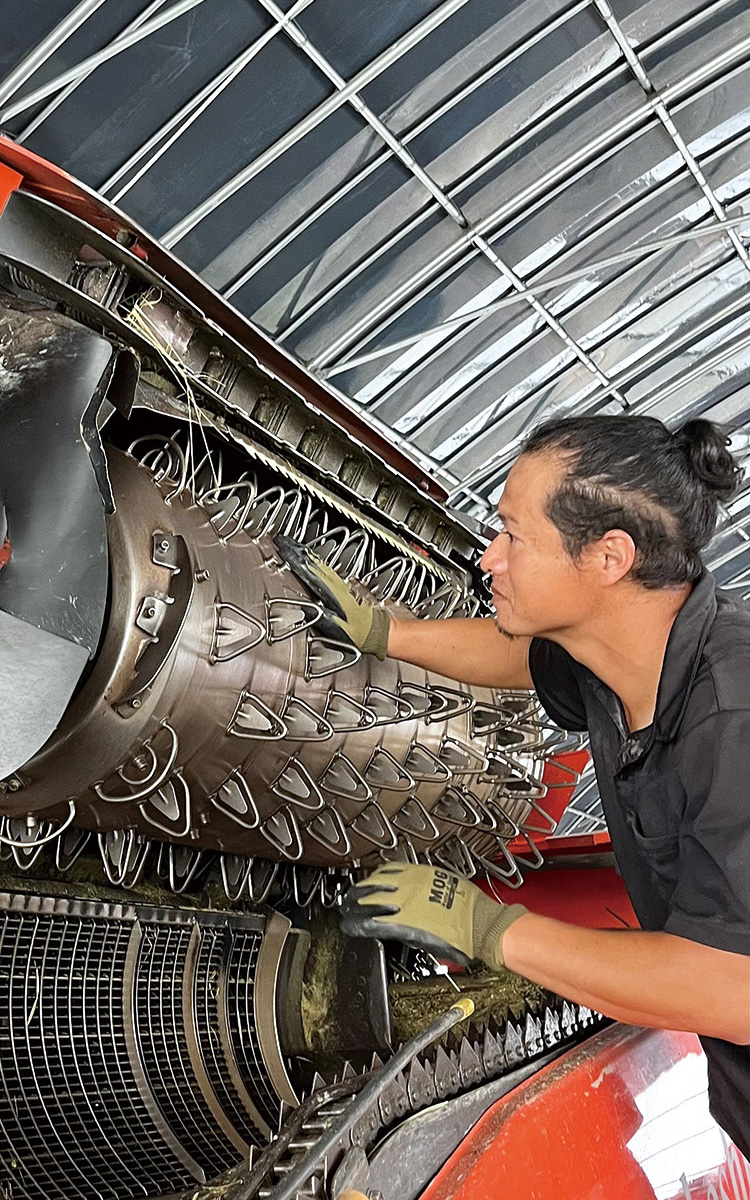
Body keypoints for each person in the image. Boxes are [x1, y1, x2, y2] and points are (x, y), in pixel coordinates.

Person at [274, 414, 750, 1161]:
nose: (489, 558)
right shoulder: (618, 646)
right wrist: (385, 633)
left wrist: (491, 930)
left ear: (608, 557)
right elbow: (520, 659)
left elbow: (733, 989)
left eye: (512, 535)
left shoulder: (734, 719)